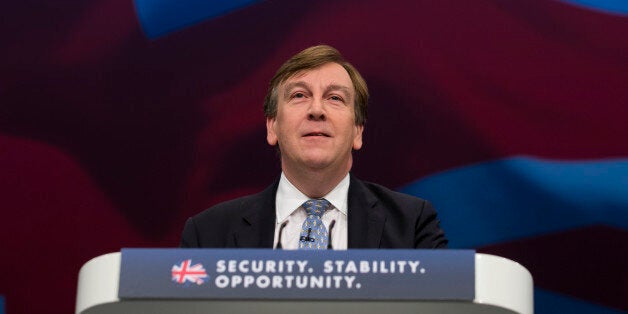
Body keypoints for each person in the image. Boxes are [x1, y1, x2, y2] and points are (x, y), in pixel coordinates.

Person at [180, 45, 447, 249]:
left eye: (334, 98)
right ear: (272, 127)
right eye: (299, 95)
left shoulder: (413, 226)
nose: (316, 110)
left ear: (357, 131)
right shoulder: (208, 234)